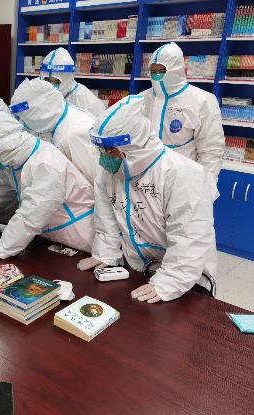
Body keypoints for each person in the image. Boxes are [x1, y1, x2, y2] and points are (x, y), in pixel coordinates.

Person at [77, 95, 218, 303]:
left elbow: (189, 238)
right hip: (138, 268)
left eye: (110, 150)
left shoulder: (183, 175)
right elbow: (106, 219)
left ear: (135, 147)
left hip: (186, 278)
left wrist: (169, 281)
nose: (105, 156)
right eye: (101, 149)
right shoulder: (109, 171)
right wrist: (105, 253)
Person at [0, 110, 95, 260]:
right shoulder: (20, 160)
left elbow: (32, 213)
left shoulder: (46, 163)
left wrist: (3, 247)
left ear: (3, 149)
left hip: (78, 235)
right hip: (55, 234)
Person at [139, 42, 224, 179]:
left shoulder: (202, 100)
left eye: (162, 71)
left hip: (182, 178)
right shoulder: (142, 98)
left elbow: (211, 150)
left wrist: (204, 185)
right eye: (153, 72)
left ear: (177, 70)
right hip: (147, 177)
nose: (157, 76)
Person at [10, 78, 99, 184]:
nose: (23, 122)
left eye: (24, 116)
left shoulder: (73, 133)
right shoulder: (55, 123)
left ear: (39, 111)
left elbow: (94, 180)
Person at [40, 47, 105, 116]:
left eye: (57, 81)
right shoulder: (41, 94)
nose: (51, 86)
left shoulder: (85, 100)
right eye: (47, 80)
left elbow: (100, 120)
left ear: (68, 78)